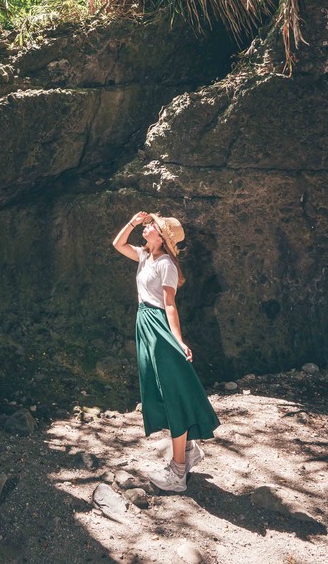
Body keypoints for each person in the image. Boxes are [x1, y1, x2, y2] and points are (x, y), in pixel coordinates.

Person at [112, 210, 220, 492]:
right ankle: (190, 451)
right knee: (159, 391)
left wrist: (178, 340)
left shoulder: (166, 265)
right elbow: (117, 244)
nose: (147, 227)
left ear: (162, 238)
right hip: (144, 323)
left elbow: (170, 305)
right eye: (148, 224)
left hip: (158, 326)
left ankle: (178, 473)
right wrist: (132, 222)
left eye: (152, 226)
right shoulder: (145, 256)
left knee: (172, 394)